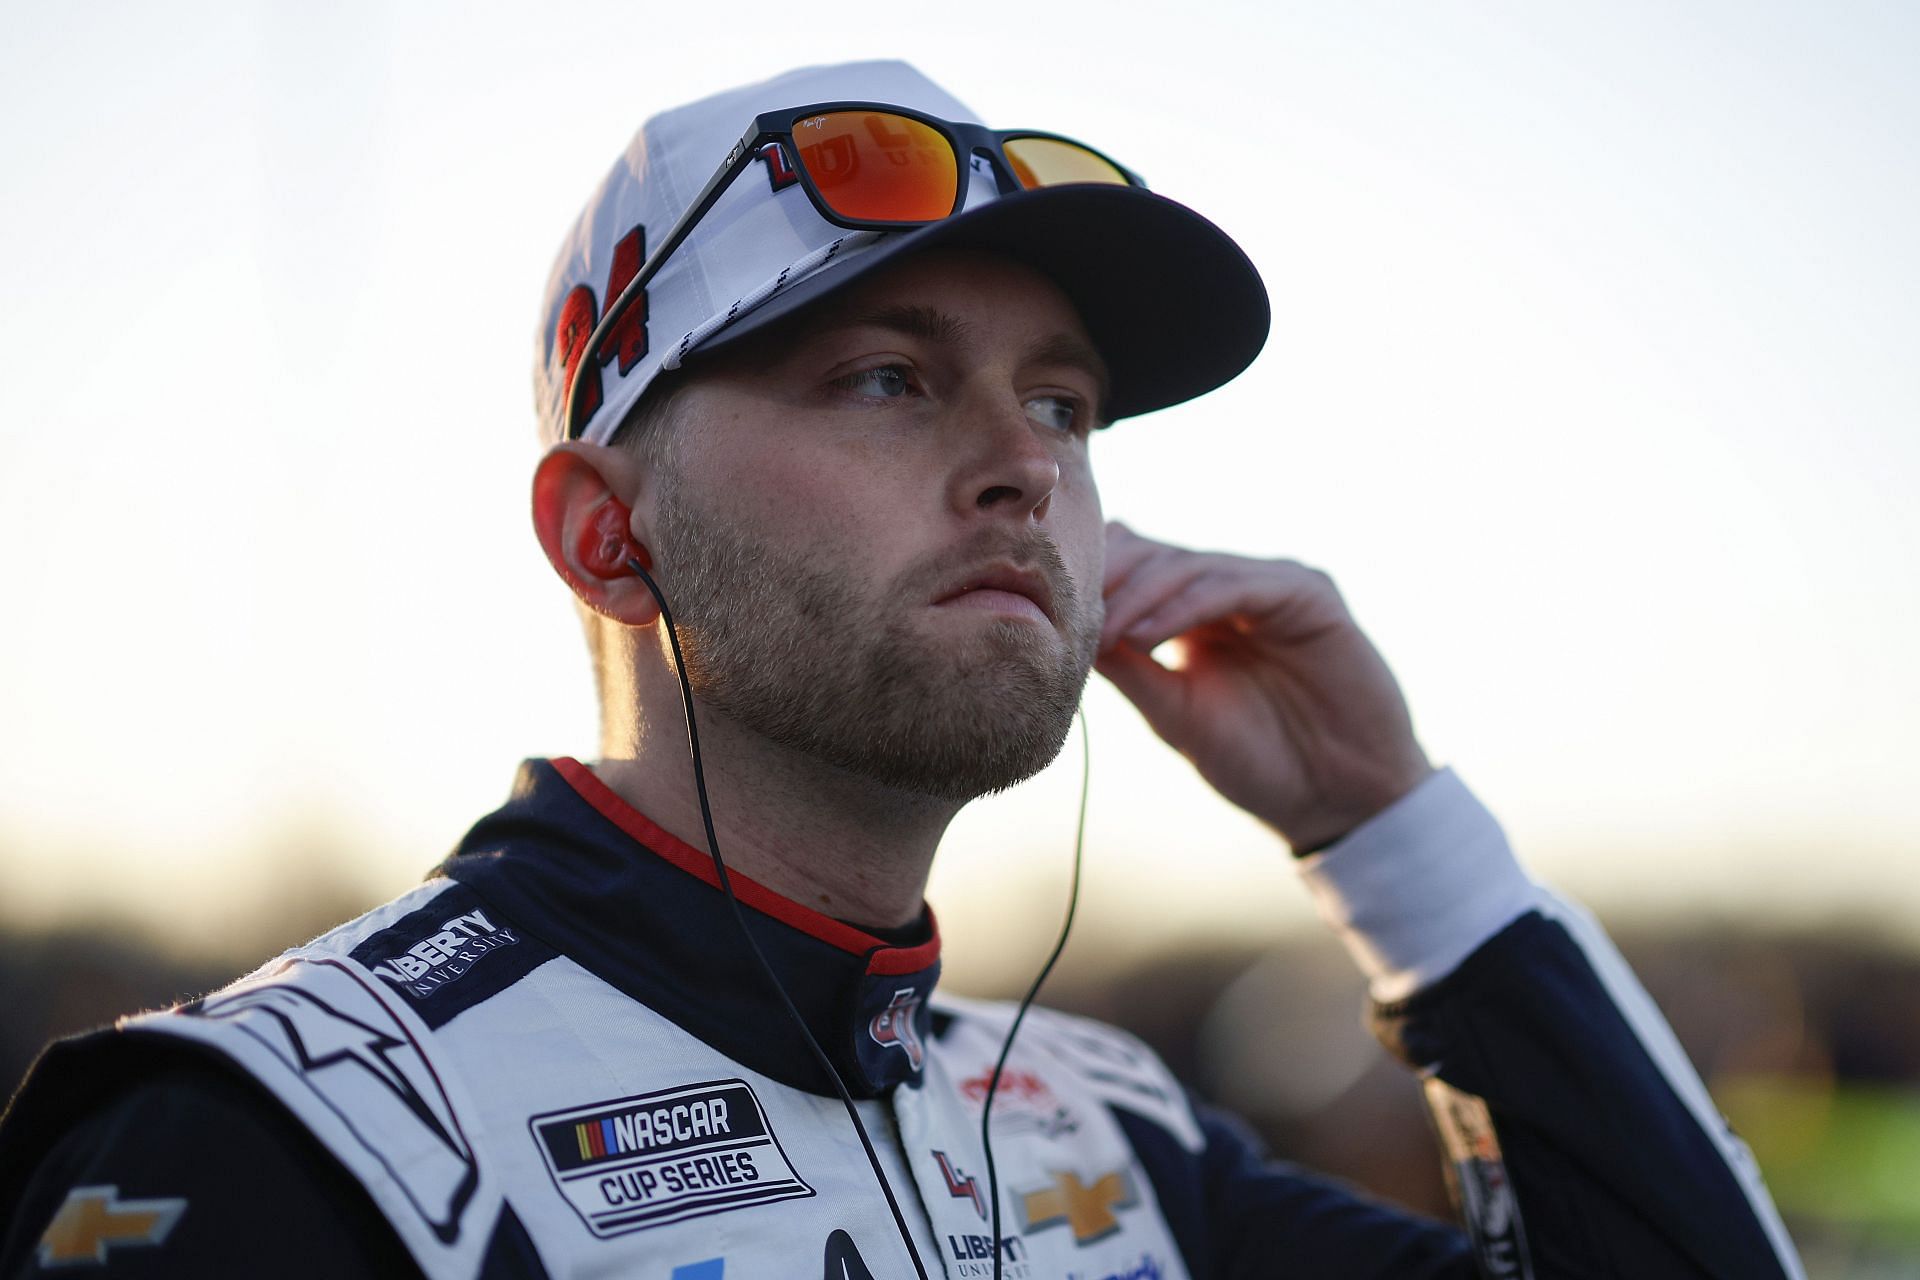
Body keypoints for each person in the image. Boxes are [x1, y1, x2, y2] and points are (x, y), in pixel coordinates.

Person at [0, 61, 1803, 1280]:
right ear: (603, 535)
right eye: (887, 375)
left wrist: (1396, 839)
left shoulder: (1109, 1144)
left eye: (1065, 402)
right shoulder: (282, 1136)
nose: (1026, 463)